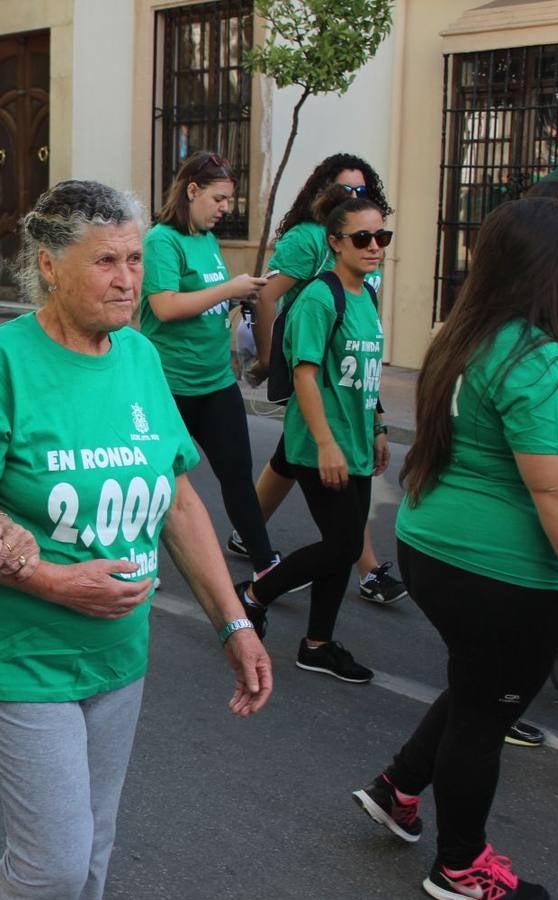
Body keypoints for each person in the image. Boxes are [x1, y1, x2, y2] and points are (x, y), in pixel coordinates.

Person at [0, 179, 272, 900]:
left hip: (117, 654)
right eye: (107, 261)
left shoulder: (138, 358)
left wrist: (232, 621)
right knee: (53, 867)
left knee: (93, 854)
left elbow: (178, 502)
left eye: (135, 260)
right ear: (48, 263)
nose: (128, 278)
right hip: (23, 654)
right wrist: (52, 581)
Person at [351, 197, 558, 900]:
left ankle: (397, 787)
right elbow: (554, 490)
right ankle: (460, 866)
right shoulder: (537, 359)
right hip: (499, 569)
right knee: (487, 709)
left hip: (430, 543)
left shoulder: (464, 334)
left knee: (476, 684)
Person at [227, 153, 407, 605]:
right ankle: (361, 570)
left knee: (291, 459)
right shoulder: (310, 241)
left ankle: (248, 536)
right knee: (329, 484)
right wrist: (269, 359)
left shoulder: (365, 257)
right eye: (345, 190)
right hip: (317, 371)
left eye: (362, 192)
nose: (354, 198)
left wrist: (379, 418)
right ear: (324, 190)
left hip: (348, 377)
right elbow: (268, 296)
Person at [237, 189, 390, 683]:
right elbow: (304, 375)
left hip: (358, 444)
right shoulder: (320, 297)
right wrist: (326, 443)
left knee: (341, 544)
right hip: (322, 445)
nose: (374, 245)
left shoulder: (365, 294)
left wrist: (380, 426)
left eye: (381, 235)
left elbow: (367, 372)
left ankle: (317, 643)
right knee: (344, 545)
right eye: (362, 237)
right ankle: (255, 594)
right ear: (336, 243)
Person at [138, 151, 277, 578]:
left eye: (229, 201)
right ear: (192, 190)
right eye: (218, 199)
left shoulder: (206, 240)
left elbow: (207, 300)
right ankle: (140, 565)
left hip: (215, 382)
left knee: (237, 472)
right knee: (159, 482)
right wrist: (228, 289)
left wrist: (238, 295)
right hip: (169, 385)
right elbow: (164, 307)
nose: (224, 209)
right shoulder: (161, 240)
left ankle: (265, 564)